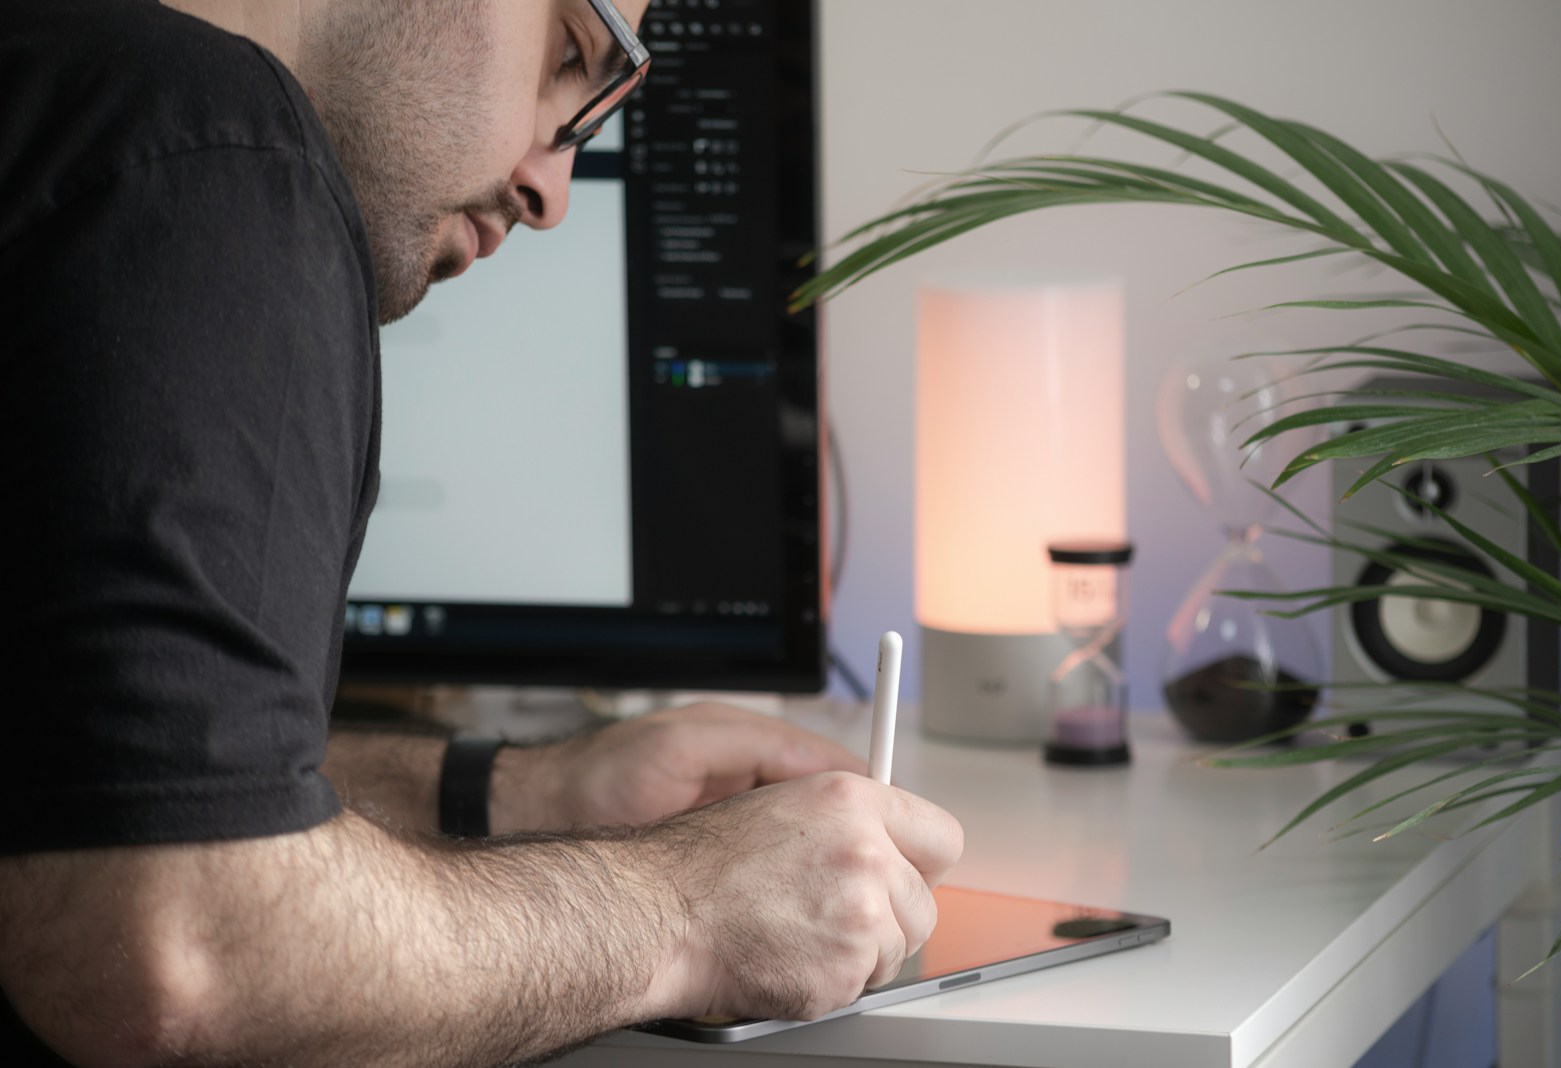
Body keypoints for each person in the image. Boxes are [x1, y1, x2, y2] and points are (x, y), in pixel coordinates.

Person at [0, 0, 965, 1064]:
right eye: (569, 60)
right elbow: (183, 950)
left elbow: (83, 799)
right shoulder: (215, 143)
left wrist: (517, 795)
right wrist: (691, 905)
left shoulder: (59, 87)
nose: (551, 192)